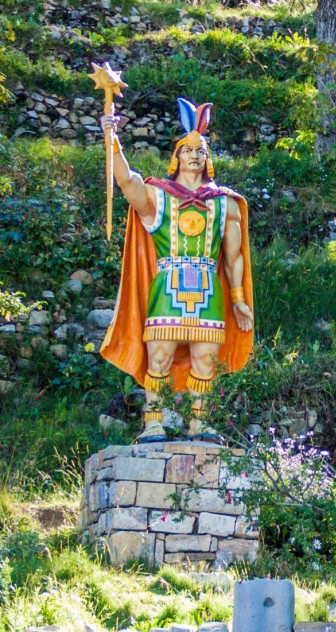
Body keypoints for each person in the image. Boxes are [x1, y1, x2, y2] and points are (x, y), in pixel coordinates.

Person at [101, 98, 255, 442]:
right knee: (159, 359)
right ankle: (153, 423)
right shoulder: (158, 196)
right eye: (187, 149)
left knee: (205, 363)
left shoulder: (225, 203)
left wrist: (238, 298)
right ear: (177, 156)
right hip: (167, 286)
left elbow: (233, 259)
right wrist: (112, 140)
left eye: (200, 150)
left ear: (208, 158)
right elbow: (127, 182)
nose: (194, 155)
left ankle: (199, 424)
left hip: (208, 290)